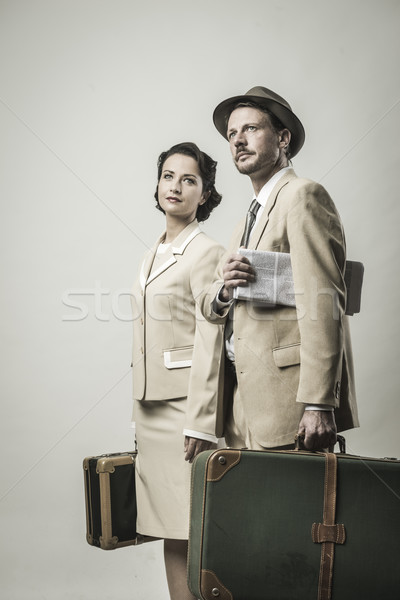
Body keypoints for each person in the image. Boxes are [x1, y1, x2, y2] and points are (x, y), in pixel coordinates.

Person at [200, 86, 359, 451]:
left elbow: (323, 300)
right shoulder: (245, 222)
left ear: (283, 138)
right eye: (232, 134)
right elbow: (209, 305)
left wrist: (319, 403)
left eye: (252, 129)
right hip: (242, 407)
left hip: (291, 405)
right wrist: (224, 290)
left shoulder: (303, 196)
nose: (239, 140)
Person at [131, 142, 225, 600]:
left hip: (183, 411)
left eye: (189, 180)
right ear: (158, 184)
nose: (176, 186)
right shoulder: (155, 250)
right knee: (172, 527)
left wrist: (201, 421)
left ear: (204, 194)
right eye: (169, 176)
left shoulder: (206, 252)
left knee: (195, 529)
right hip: (150, 410)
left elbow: (212, 332)